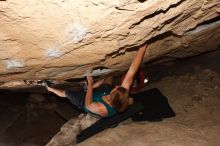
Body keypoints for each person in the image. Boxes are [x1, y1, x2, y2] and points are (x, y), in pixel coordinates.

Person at [46, 44, 147, 118]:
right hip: (102, 94)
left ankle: (50, 88)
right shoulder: (121, 93)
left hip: (87, 102)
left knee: (67, 93)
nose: (116, 86)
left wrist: (90, 84)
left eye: (115, 89)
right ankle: (93, 86)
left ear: (111, 97)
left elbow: (88, 104)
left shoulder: (102, 109)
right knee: (110, 76)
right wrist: (141, 50)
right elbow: (132, 72)